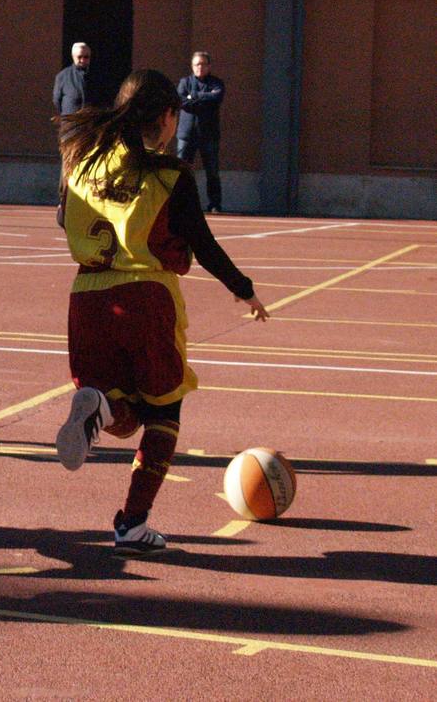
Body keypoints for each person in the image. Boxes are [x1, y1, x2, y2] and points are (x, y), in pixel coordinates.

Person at [53, 69, 268, 556]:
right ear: (169, 118)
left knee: (124, 414)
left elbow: (64, 217)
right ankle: (131, 523)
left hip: (86, 297)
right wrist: (245, 290)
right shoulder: (169, 174)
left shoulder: (81, 165)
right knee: (164, 413)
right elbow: (204, 244)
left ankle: (100, 409)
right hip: (146, 297)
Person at [176, 51, 225, 213]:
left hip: (209, 135)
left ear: (209, 66)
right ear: (192, 66)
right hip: (186, 135)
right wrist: (203, 98)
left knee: (212, 172)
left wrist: (194, 96)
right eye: (197, 64)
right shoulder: (184, 82)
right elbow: (181, 102)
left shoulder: (216, 83)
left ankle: (215, 204)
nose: (200, 67)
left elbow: (216, 99)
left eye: (203, 64)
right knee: (181, 172)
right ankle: (181, 204)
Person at [53, 42, 98, 116]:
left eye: (86, 57)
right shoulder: (62, 76)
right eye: (79, 57)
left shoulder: (96, 76)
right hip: (70, 122)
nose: (83, 60)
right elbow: (56, 100)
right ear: (73, 57)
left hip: (90, 122)